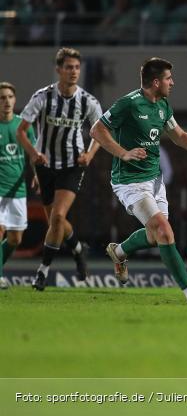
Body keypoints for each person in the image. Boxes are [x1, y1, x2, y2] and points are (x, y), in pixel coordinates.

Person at [90, 57, 187, 305]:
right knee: (164, 232)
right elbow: (97, 130)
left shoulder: (163, 105)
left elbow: (179, 136)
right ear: (156, 82)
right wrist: (123, 153)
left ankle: (119, 251)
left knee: (155, 235)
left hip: (155, 180)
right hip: (130, 181)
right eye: (168, 78)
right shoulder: (128, 103)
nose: (172, 83)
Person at [17, 48, 102, 291]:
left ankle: (42, 272)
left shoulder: (88, 101)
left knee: (57, 217)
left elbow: (100, 133)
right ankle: (78, 249)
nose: (73, 72)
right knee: (56, 223)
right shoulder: (43, 97)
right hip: (45, 166)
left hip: (72, 165)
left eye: (76, 67)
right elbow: (21, 131)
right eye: (68, 67)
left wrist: (89, 154)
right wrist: (34, 155)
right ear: (58, 70)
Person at [0, 82, 37, 289]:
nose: (6, 101)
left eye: (9, 97)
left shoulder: (22, 126)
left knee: (15, 239)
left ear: (14, 100)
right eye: (2, 98)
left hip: (18, 190)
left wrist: (37, 175)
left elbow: (33, 153)